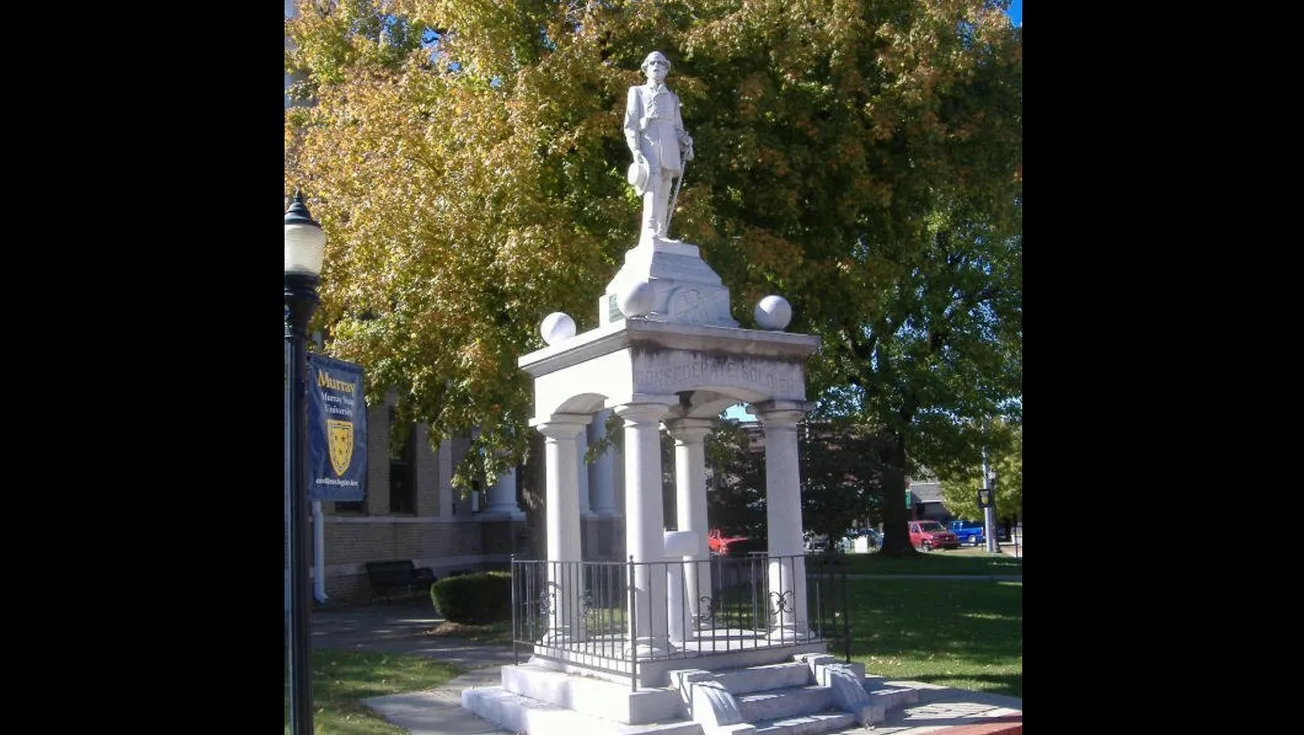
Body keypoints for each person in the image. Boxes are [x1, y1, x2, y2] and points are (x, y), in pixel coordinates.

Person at [624, 50, 694, 244]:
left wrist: (685, 141)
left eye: (662, 64)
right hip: (649, 143)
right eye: (653, 64)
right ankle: (650, 231)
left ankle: (661, 233)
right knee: (653, 185)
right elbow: (630, 125)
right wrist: (635, 149)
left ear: (666, 70)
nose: (657, 67)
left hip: (669, 145)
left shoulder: (672, 98)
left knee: (665, 187)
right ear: (646, 68)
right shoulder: (637, 92)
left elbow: (677, 127)